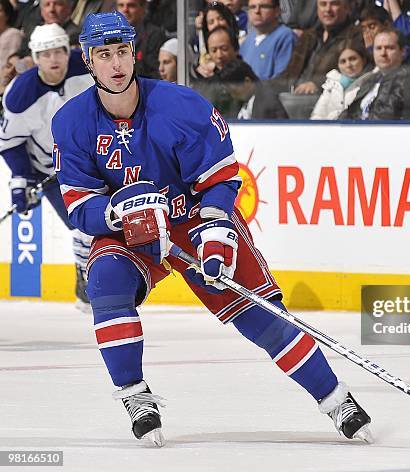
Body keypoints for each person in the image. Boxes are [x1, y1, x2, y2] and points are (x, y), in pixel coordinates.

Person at [51, 11, 372, 447]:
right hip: (132, 231)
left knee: (261, 317)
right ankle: (135, 397)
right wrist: (114, 213)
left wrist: (216, 236)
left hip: (194, 220)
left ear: (134, 53)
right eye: (104, 55)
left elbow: (220, 180)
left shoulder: (181, 106)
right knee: (106, 279)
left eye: (122, 52)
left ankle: (337, 400)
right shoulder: (71, 121)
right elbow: (79, 205)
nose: (116, 64)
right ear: (88, 60)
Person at [0, 24, 94, 309]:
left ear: (69, 52)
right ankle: (87, 277)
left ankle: (98, 274)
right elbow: (9, 142)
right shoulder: (20, 95)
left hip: (92, 159)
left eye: (58, 52)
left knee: (102, 220)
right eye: (45, 54)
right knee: (82, 224)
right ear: (35, 58)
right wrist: (21, 180)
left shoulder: (89, 67)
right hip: (48, 169)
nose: (53, 59)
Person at [340, 28, 410, 120]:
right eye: (378, 48)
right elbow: (351, 111)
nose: (383, 53)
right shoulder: (369, 80)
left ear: (403, 52)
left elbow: (386, 116)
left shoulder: (408, 80)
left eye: (389, 48)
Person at [311, 40, 372, 119]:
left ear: (363, 60)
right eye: (343, 61)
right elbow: (317, 114)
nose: (348, 65)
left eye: (352, 59)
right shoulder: (332, 83)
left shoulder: (371, 83)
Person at [240, 0, 295, 80]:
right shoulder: (247, 41)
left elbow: (282, 79)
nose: (257, 11)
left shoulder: (285, 36)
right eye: (252, 7)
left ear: (277, 11)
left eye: (263, 7)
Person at [116, 0, 167, 78]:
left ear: (143, 8)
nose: (125, 10)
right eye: (121, 5)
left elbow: (156, 72)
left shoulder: (155, 35)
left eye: (131, 5)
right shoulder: (109, 35)